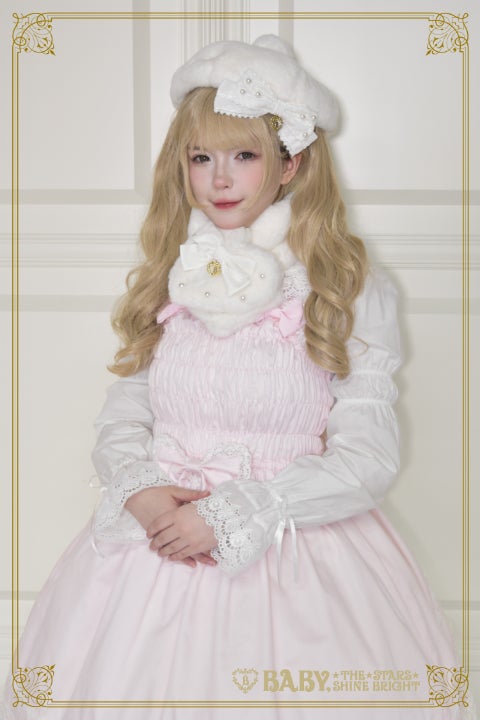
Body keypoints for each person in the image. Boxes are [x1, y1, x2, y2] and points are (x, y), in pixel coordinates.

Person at [3, 35, 471, 720]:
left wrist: (233, 514)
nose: (219, 180)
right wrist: (140, 491)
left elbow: (368, 457)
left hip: (293, 546)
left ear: (291, 163)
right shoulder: (176, 272)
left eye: (244, 156)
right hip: (155, 546)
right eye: (201, 158)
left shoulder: (346, 285)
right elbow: (125, 410)